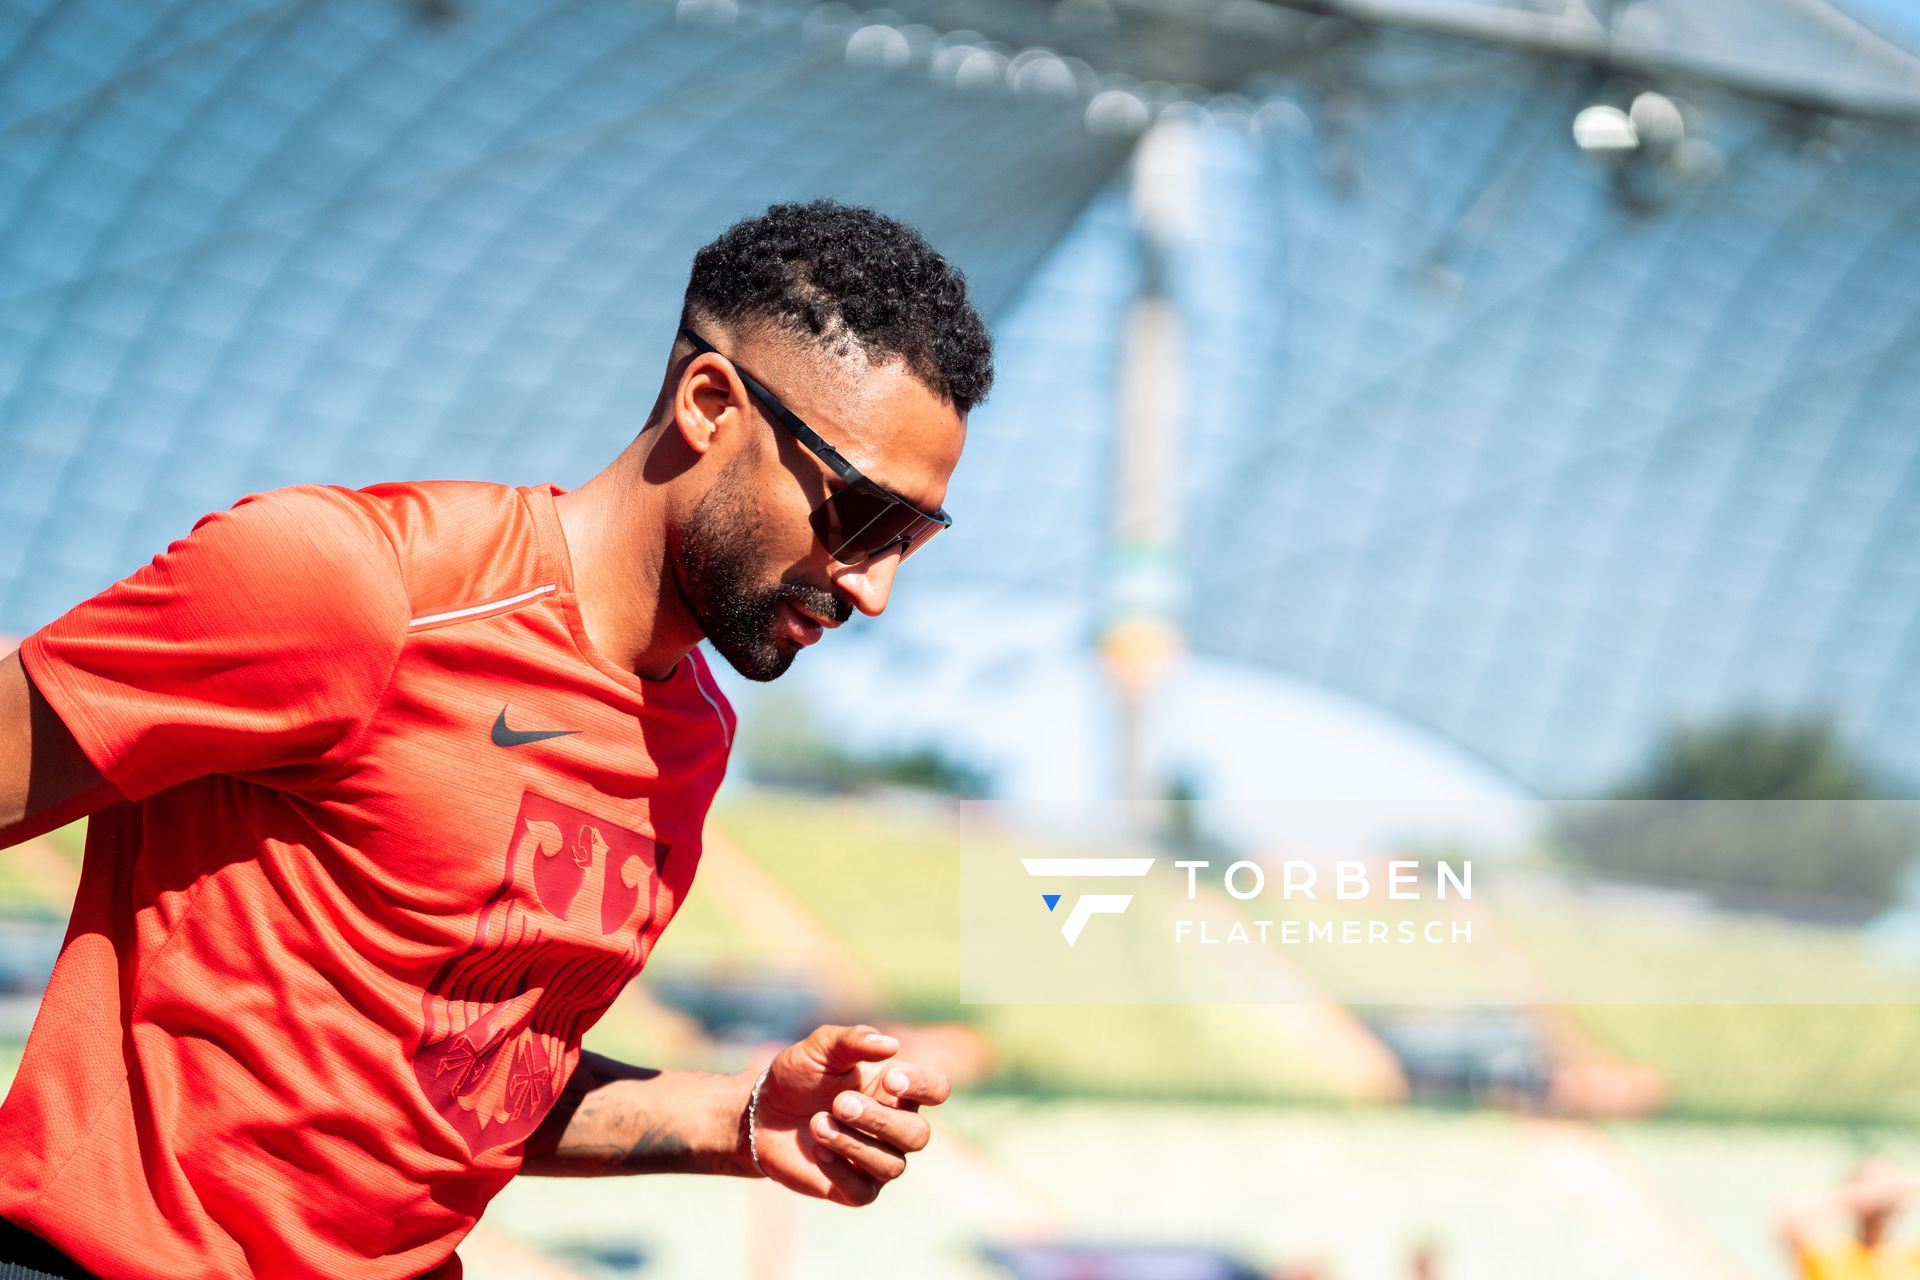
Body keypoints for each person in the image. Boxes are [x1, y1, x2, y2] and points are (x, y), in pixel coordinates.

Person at [0, 199, 993, 1280]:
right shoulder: (352, 587)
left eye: (916, 535)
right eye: (861, 516)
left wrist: (741, 1118)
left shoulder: (692, 741)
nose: (877, 586)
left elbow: (467, 1074)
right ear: (711, 403)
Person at [1777, 1157, 1920, 1280]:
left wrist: (1897, 1186)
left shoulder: (1910, 1257)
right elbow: (1788, 1215)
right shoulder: (1832, 1255)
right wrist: (1853, 1195)